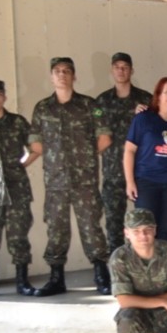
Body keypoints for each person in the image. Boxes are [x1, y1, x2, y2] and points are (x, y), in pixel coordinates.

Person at [29, 56, 113, 296]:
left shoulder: (89, 105)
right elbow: (36, 145)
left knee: (91, 226)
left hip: (84, 180)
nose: (62, 74)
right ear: (51, 76)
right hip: (56, 181)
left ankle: (101, 274)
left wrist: (84, 158)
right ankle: (56, 278)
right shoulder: (42, 108)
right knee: (56, 228)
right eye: (57, 71)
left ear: (74, 76)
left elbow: (105, 138)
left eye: (67, 71)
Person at [0, 79, 38, 298]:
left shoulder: (17, 122)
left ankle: (22, 281)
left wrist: (21, 165)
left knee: (18, 235)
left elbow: (35, 147)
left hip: (17, 188)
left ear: (4, 96)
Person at [96, 52, 152, 251]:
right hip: (113, 172)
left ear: (131, 70)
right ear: (112, 70)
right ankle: (116, 264)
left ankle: (144, 262)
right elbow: (95, 133)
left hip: (142, 170)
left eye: (125, 67)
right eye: (117, 67)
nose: (121, 71)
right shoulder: (101, 101)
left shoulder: (145, 99)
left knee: (145, 223)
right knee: (113, 223)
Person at [123, 77, 167, 243]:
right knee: (146, 229)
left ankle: (165, 261)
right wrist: (130, 182)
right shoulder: (143, 118)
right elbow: (129, 150)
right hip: (146, 182)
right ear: (158, 95)